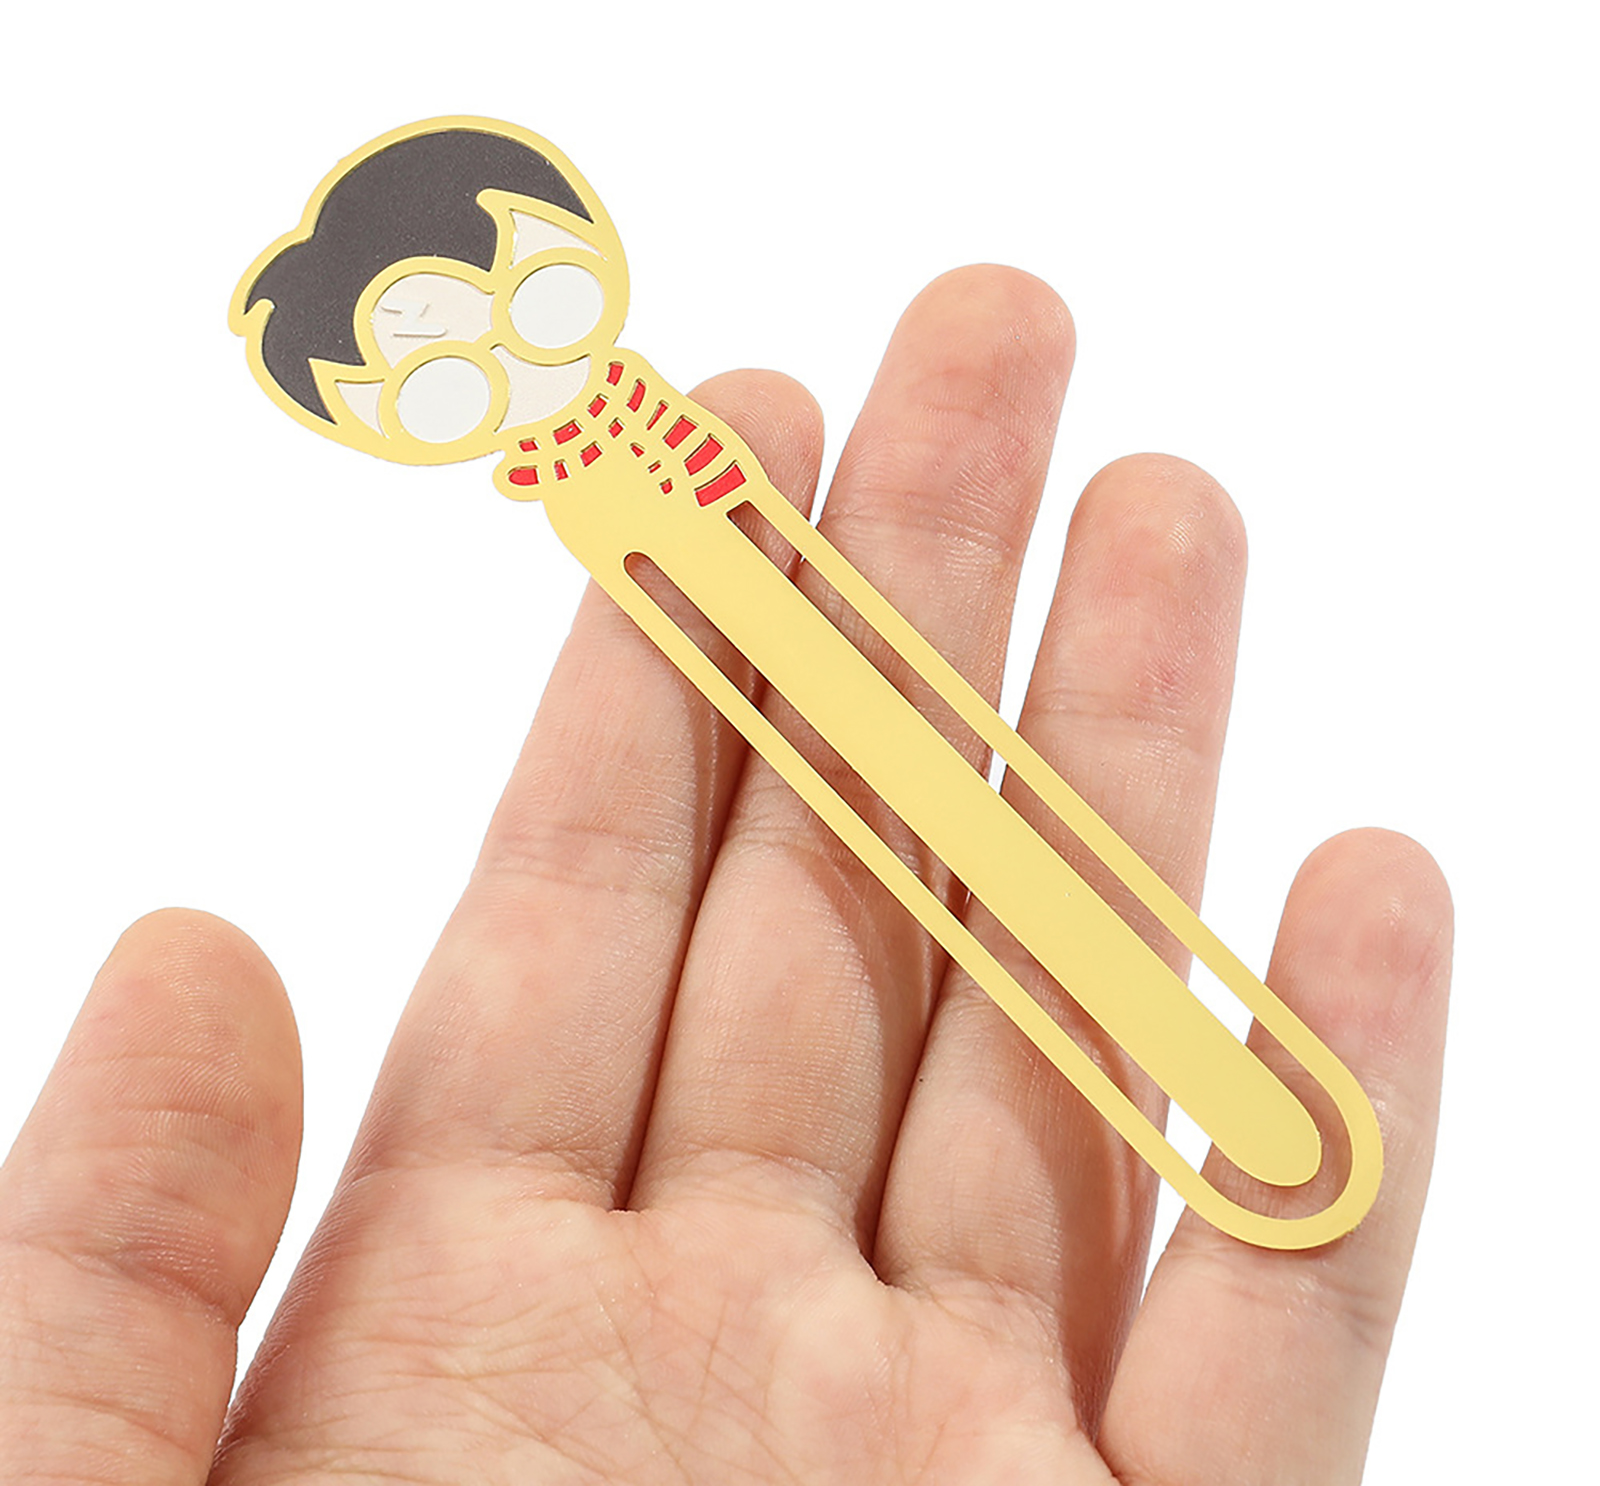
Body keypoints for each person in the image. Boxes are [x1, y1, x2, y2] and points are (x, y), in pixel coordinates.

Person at [0, 265, 1452, 1483]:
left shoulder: (669, 452)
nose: (493, 354)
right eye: (434, 371)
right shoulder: (594, 507)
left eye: (517, 299)